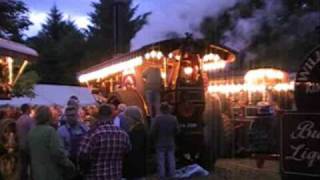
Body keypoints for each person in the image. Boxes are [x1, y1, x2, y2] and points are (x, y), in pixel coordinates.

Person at [78, 104, 131, 180]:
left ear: (99, 115)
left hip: (95, 176)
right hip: (115, 176)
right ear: (112, 115)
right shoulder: (123, 134)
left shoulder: (92, 134)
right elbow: (127, 152)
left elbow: (82, 156)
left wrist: (84, 172)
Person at [27, 106, 75, 180]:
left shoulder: (31, 132)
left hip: (36, 173)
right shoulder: (50, 131)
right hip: (50, 173)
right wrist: (69, 165)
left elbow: (27, 151)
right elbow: (57, 152)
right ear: (49, 116)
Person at [151, 102, 179, 179]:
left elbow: (153, 131)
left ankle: (161, 175)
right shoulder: (174, 118)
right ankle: (172, 174)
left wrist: (154, 139)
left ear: (161, 109)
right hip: (170, 141)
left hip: (160, 142)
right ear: (168, 109)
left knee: (161, 160)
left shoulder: (157, 118)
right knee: (171, 159)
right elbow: (177, 130)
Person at [123, 106, 147, 179]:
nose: (125, 119)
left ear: (132, 117)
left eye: (126, 117)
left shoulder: (136, 131)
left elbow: (133, 150)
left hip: (134, 167)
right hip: (140, 166)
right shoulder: (141, 129)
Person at [16, 104, 34, 180]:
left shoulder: (18, 120)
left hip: (21, 145)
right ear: (27, 110)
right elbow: (33, 132)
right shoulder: (30, 120)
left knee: (23, 166)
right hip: (29, 146)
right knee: (32, 165)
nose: (31, 110)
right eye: (30, 109)